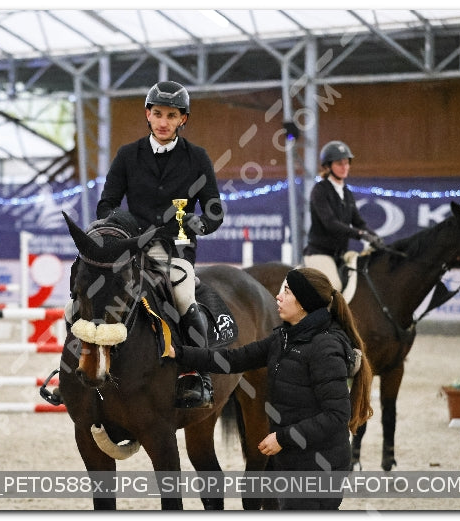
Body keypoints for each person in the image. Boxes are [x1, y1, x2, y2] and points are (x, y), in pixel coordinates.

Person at [169, 267, 373, 510]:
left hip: (319, 465)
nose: (277, 296)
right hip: (291, 459)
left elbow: (337, 416)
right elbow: (233, 359)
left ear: (303, 303)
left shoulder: (326, 348)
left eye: (286, 292)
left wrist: (281, 438)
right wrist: (179, 352)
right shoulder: (283, 338)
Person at [96, 80, 224, 409]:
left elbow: (215, 210)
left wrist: (201, 223)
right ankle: (74, 370)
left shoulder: (197, 158)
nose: (164, 121)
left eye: (171, 115)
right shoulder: (128, 155)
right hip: (132, 247)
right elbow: (106, 205)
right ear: (147, 116)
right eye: (158, 114)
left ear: (184, 119)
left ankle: (199, 376)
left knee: (183, 299)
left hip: (175, 249)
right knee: (87, 297)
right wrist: (125, 228)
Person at [303, 140, 383, 291]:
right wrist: (361, 235)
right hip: (319, 253)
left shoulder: (347, 193)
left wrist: (375, 237)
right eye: (339, 163)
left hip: (340, 255)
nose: (345, 167)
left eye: (347, 163)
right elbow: (330, 223)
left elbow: (359, 222)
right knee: (334, 287)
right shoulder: (319, 191)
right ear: (327, 166)